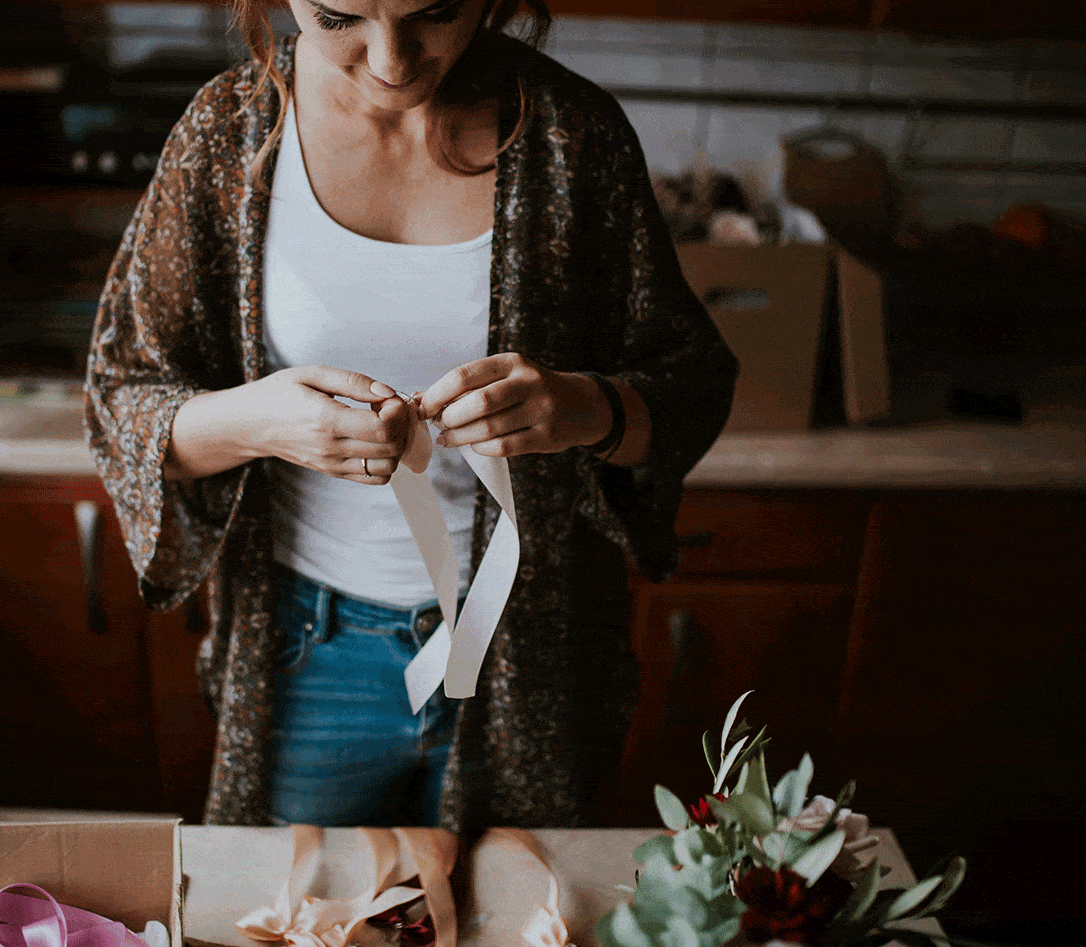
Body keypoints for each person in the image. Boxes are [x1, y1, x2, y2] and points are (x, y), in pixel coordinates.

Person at [85, 0, 738, 831]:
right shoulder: (225, 135)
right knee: (302, 917)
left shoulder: (573, 138)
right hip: (303, 656)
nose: (393, 60)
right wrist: (259, 421)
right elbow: (121, 397)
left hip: (531, 657)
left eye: (435, 13)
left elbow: (694, 387)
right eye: (338, 17)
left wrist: (585, 408)